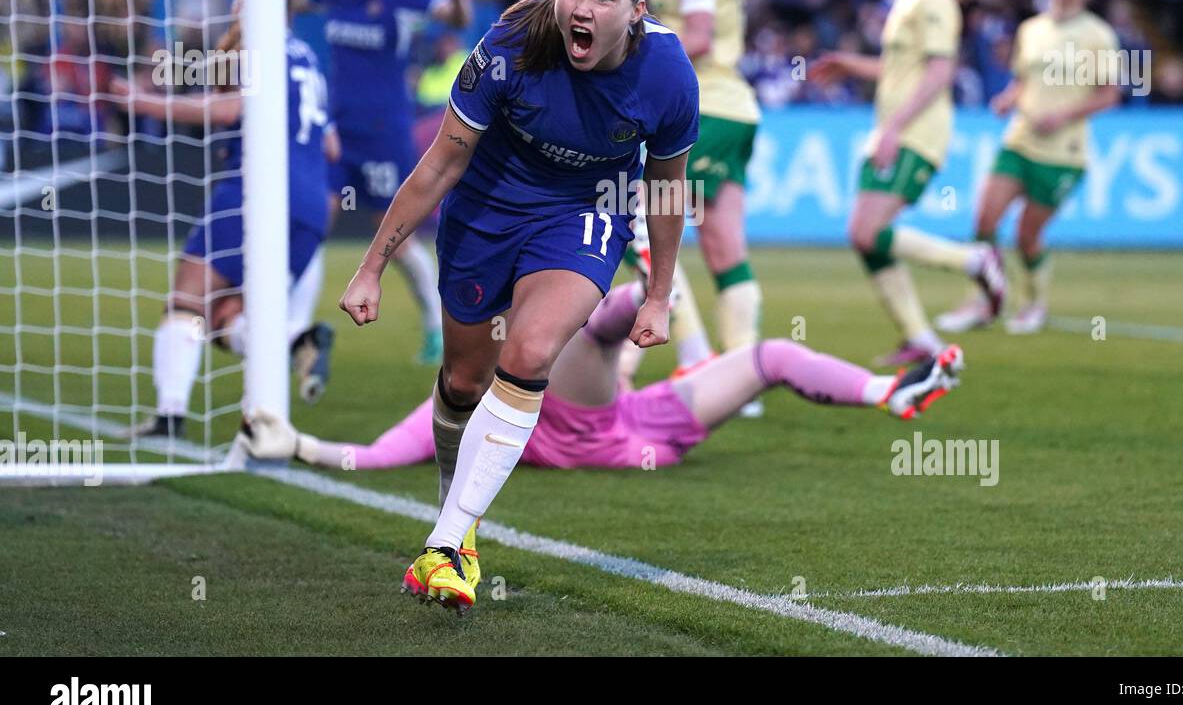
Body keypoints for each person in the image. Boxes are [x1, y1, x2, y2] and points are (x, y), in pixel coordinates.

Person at [333, 0, 700, 615]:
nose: (580, 10)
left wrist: (657, 294)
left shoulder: (670, 75)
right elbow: (441, 163)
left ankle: (444, 544)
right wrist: (371, 268)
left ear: (639, 10)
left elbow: (668, 188)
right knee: (464, 378)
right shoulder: (508, 45)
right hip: (486, 209)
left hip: (585, 213)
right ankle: (458, 517)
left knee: (529, 352)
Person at [268, 282, 963, 484]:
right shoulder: (458, 402)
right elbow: (384, 455)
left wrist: (300, 445)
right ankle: (646, 287)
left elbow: (375, 454)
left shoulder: (453, 400)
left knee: (773, 356)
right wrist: (297, 444)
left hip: (632, 422)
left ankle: (888, 390)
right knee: (594, 325)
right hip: (590, 426)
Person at [115, 13, 336, 438]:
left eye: (240, 1)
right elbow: (331, 144)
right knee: (226, 315)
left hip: (257, 191)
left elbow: (230, 108)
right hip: (310, 206)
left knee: (188, 299)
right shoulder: (308, 59)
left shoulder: (260, 50)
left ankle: (169, 415)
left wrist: (142, 102)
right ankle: (295, 342)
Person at [809, 0, 1004, 366]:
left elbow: (941, 70)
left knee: (866, 230)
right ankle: (921, 339)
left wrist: (894, 129)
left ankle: (974, 261)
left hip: (915, 133)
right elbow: (904, 68)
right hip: (896, 129)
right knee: (863, 236)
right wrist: (850, 64)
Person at [288, 0, 473, 366]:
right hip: (337, 132)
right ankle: (295, 334)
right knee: (313, 223)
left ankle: (436, 327)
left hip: (384, 133)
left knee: (394, 237)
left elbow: (454, 17)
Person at [937, 0, 1121, 334]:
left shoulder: (1097, 36)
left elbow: (1109, 94)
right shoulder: (1031, 30)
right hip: (1019, 141)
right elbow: (1024, 82)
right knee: (983, 220)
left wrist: (1063, 116)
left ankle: (1033, 303)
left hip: (1063, 153)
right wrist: (1008, 99)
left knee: (1026, 235)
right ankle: (984, 302)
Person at [647, 0, 767, 412]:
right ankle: (741, 382)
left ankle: (697, 359)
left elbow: (696, 35)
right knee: (724, 248)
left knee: (627, 216)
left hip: (704, 108)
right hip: (734, 107)